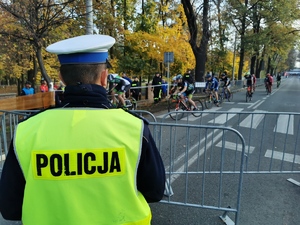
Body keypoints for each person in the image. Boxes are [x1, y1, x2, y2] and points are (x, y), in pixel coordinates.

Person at [0, 34, 165, 225]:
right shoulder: (134, 128)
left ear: (61, 78)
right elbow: (155, 191)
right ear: (104, 78)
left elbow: (10, 208)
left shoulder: (27, 131)